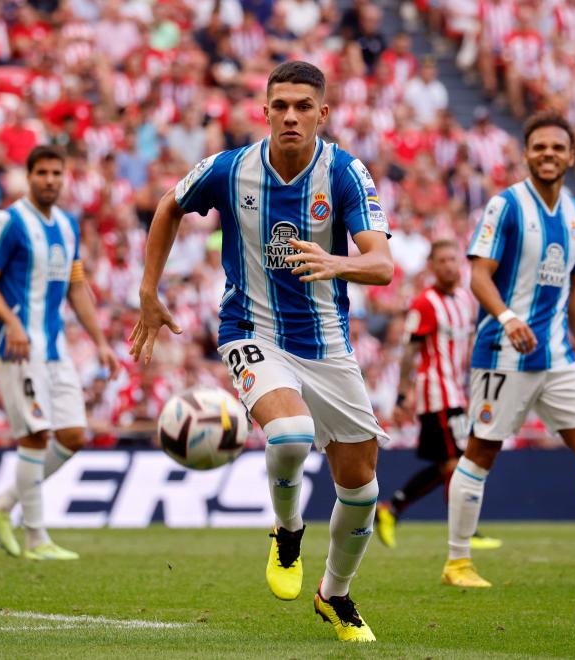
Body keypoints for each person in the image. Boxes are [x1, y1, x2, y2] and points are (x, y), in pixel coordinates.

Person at [130, 61, 393, 642]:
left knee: (362, 485)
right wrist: (148, 291)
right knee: (291, 434)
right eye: (281, 105)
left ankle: (335, 594)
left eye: (304, 105)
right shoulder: (230, 168)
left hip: (327, 344)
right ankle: (287, 529)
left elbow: (382, 263)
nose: (291, 115)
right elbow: (169, 206)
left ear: (323, 113)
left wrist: (338, 262)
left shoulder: (346, 173)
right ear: (265, 111)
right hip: (250, 330)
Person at [441, 111, 575, 589]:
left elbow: (574, 290)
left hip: (559, 357)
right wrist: (508, 317)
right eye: (539, 146)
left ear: (571, 156)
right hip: (504, 350)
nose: (548, 154)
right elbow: (478, 276)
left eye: (557, 148)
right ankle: (457, 563)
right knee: (481, 451)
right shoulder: (506, 207)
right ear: (526, 153)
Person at [0, 145, 119, 561]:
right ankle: (36, 538)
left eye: (57, 173)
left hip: (55, 348)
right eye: (43, 173)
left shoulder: (69, 225)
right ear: (29, 175)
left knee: (73, 435)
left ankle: (1, 504)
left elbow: (76, 287)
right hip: (20, 348)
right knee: (36, 434)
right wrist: (12, 322)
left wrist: (101, 342)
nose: (51, 180)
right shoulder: (9, 221)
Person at [375, 239, 501, 551]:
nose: (448, 265)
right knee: (456, 464)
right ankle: (464, 532)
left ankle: (392, 509)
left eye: (452, 259)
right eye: (441, 260)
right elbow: (410, 352)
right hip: (436, 394)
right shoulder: (425, 303)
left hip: (457, 392)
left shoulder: (465, 299)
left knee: (449, 463)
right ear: (432, 266)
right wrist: (404, 395)